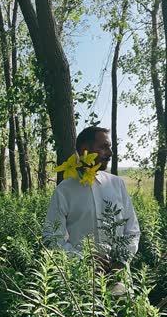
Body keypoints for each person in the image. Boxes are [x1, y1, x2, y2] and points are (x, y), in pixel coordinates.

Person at [43, 127, 140, 296]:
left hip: (119, 282)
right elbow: (51, 237)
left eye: (110, 147)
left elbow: (132, 230)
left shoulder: (117, 185)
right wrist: (83, 261)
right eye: (103, 147)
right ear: (84, 150)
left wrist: (121, 260)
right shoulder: (65, 190)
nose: (110, 153)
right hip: (81, 285)